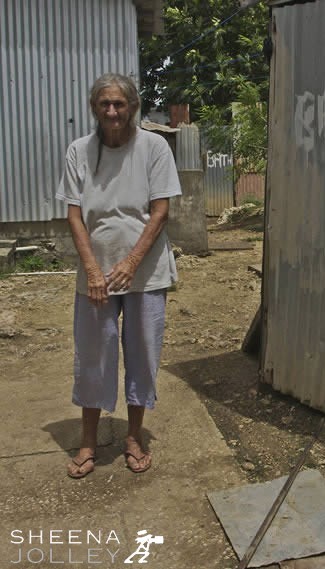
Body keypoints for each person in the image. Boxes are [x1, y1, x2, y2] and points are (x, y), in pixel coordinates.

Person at [55, 73, 182, 478]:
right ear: (94, 108)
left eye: (119, 104)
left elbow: (160, 211)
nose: (112, 111)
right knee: (94, 354)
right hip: (95, 275)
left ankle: (133, 435)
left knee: (143, 353)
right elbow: (74, 214)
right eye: (104, 104)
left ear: (133, 107)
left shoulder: (154, 147)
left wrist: (130, 264)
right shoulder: (79, 150)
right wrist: (93, 269)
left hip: (145, 273)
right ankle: (88, 440)